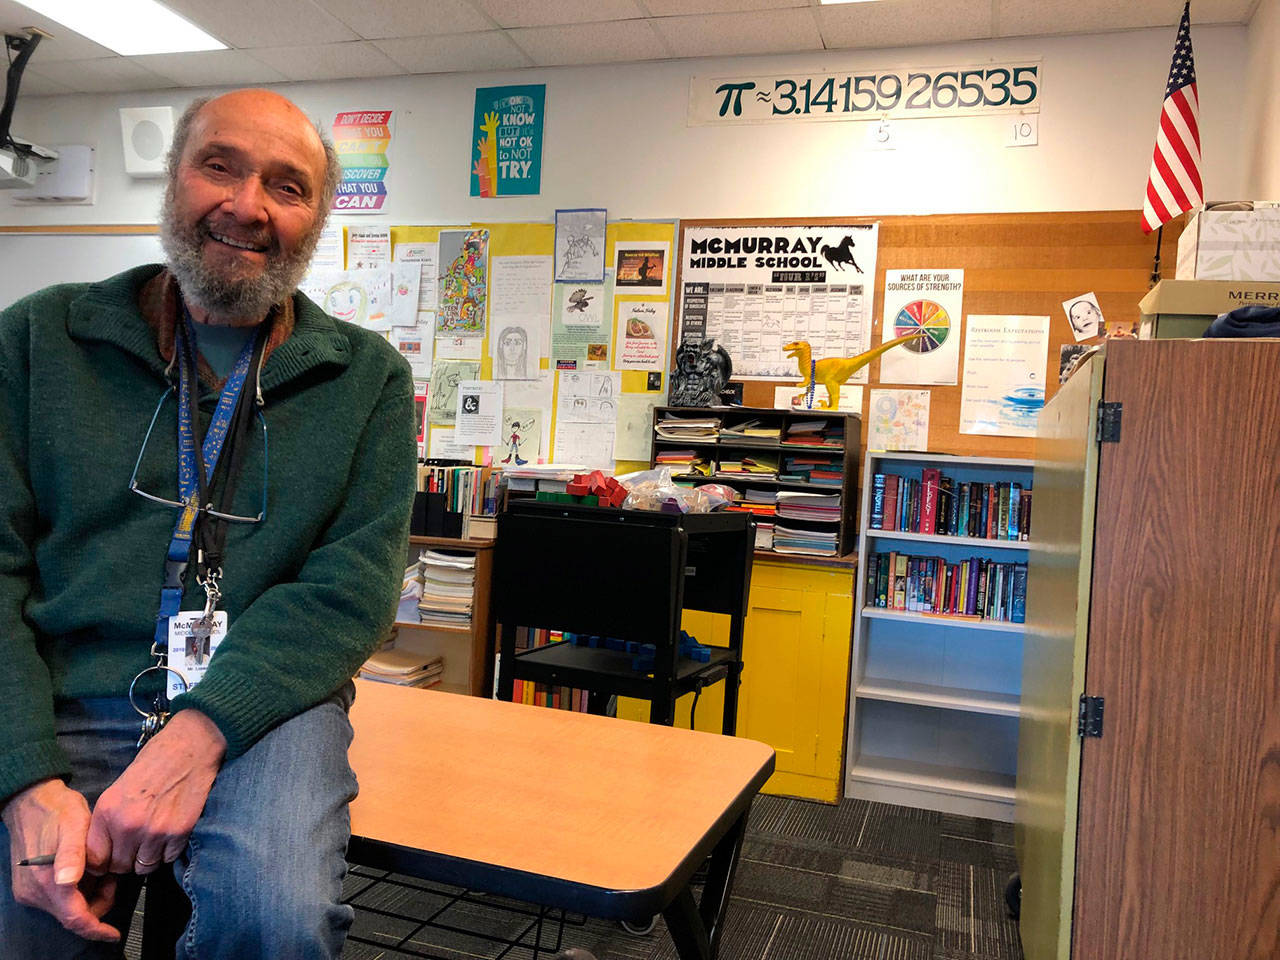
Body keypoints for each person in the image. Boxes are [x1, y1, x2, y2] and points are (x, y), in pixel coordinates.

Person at [0, 89, 418, 957]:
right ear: (173, 178)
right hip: (67, 685)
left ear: (316, 219)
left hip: (263, 705)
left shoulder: (366, 378)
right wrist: (23, 779)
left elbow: (351, 591)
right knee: (32, 918)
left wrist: (198, 736)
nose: (247, 205)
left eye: (287, 185)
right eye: (219, 166)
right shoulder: (38, 340)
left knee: (273, 918)